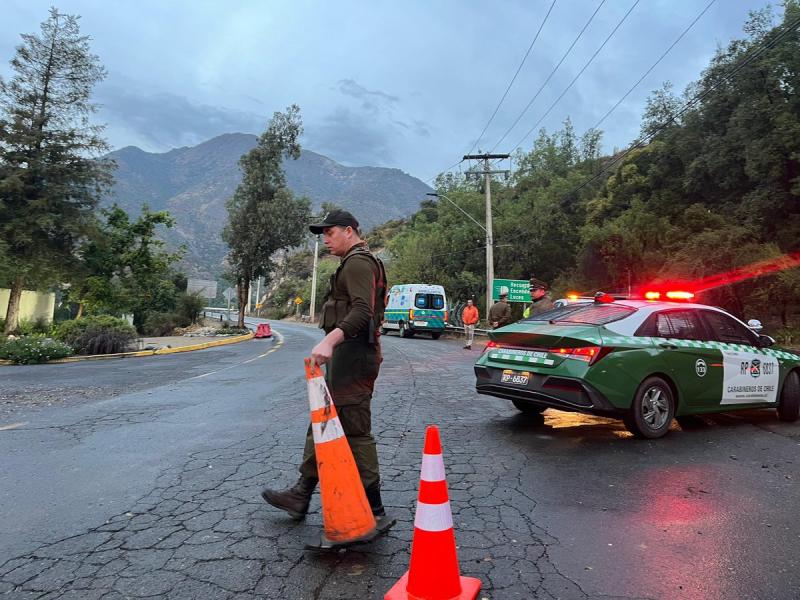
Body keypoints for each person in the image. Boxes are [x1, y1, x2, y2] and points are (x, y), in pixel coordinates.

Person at [261, 209, 388, 521]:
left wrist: (330, 340)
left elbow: (362, 311)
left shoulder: (358, 262)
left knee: (355, 431)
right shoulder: (355, 261)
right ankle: (301, 493)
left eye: (330, 233)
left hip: (354, 356)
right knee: (324, 421)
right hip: (349, 357)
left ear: (349, 231)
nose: (326, 240)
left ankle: (374, 507)